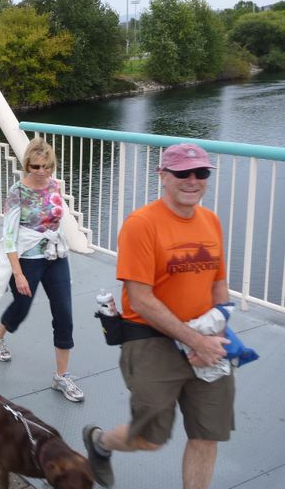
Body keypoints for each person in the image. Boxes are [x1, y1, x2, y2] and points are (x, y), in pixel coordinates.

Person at [83, 143, 232, 489]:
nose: (192, 180)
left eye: (201, 173)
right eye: (182, 173)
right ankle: (100, 442)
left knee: (207, 434)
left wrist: (217, 336)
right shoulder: (141, 225)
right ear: (163, 175)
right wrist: (194, 340)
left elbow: (219, 286)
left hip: (206, 339)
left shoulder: (211, 221)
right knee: (150, 439)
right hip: (150, 338)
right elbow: (141, 299)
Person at [0, 137, 83, 403]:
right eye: (36, 166)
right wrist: (17, 273)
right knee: (23, 306)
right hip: (28, 258)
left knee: (64, 312)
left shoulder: (54, 186)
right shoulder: (17, 191)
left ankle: (61, 376)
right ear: (27, 164)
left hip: (55, 256)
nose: (41, 172)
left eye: (46, 166)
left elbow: (57, 219)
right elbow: (8, 236)